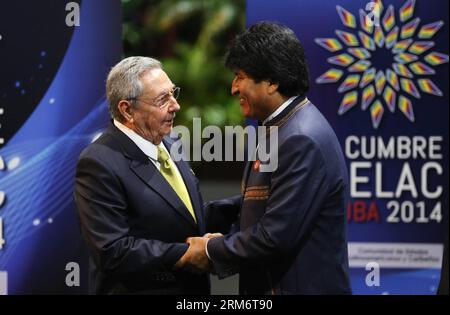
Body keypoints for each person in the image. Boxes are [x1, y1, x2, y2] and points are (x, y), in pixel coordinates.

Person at [177, 22, 352, 294]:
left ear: (272, 81)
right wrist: (194, 217)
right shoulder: (280, 126)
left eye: (240, 76)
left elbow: (274, 237)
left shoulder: (300, 138)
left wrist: (210, 250)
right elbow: (263, 199)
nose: (234, 88)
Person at [74, 56, 237, 294]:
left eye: (173, 93)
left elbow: (186, 217)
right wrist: (186, 254)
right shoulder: (98, 162)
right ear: (127, 110)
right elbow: (113, 251)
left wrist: (247, 203)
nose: (175, 105)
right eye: (163, 99)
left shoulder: (170, 142)